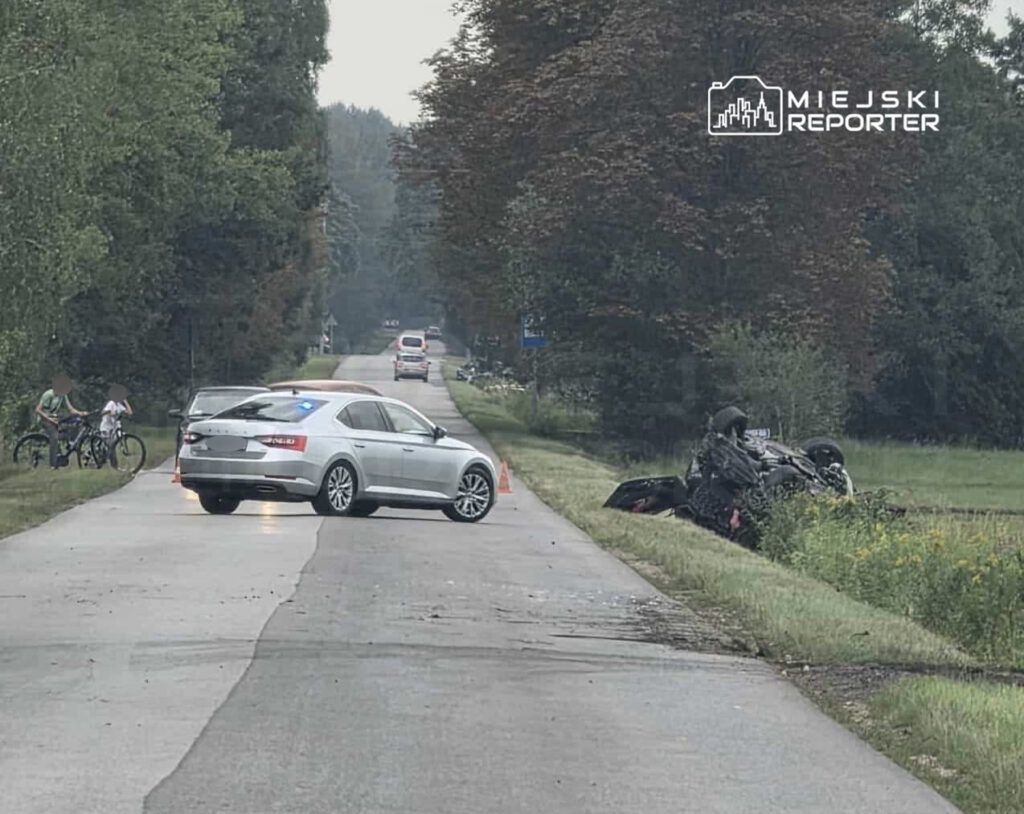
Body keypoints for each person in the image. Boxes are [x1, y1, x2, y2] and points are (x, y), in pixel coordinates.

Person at [35, 373, 87, 468]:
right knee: (54, 438)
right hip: (44, 419)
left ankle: (63, 451)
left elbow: (71, 409)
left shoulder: (63, 396)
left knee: (72, 424)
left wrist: (81, 413)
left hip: (54, 418)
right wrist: (49, 419)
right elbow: (38, 410)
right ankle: (53, 464)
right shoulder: (48, 394)